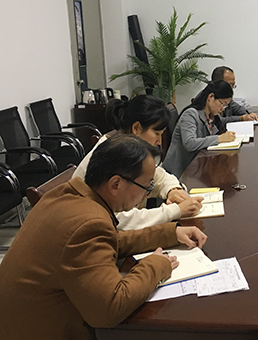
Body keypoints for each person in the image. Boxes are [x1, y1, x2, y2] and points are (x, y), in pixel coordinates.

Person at [0, 135, 207, 340]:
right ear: (116, 184)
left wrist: (170, 233)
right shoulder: (89, 223)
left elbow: (111, 242)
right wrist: (157, 265)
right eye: (147, 187)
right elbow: (110, 309)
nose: (146, 195)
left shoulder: (67, 195)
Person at [73, 95, 202, 230]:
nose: (159, 142)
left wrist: (173, 190)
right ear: (136, 128)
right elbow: (119, 220)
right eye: (157, 134)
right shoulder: (110, 156)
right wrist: (175, 211)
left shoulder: (130, 149)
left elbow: (160, 176)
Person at [163, 80, 236, 178]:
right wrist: (220, 139)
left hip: (197, 167)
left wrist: (242, 118)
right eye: (222, 104)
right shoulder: (190, 114)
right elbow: (189, 143)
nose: (223, 108)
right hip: (180, 173)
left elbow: (222, 122)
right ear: (211, 97)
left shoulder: (211, 116)